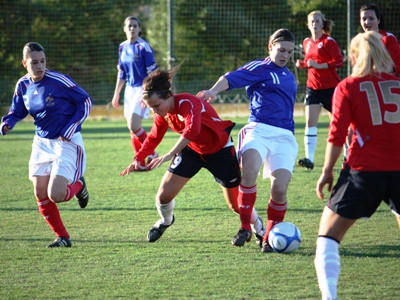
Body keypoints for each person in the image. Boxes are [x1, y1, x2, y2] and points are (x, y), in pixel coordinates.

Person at [120, 67, 266, 244]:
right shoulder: (164, 114)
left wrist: (170, 154)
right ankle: (166, 221)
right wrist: (138, 158)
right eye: (151, 108)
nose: (154, 111)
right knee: (163, 196)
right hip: (192, 151)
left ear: (168, 96)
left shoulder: (188, 103)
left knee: (236, 205)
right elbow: (153, 137)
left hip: (220, 152)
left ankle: (259, 230)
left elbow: (193, 131)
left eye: (156, 106)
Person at [315, 31, 400, 300]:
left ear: (354, 56)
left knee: (326, 239)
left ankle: (330, 297)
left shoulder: (348, 86)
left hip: (363, 173)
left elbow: (337, 134)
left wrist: (327, 171)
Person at [197, 29, 298, 253]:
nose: (285, 55)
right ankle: (245, 227)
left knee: (280, 190)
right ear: (270, 47)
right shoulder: (260, 68)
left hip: (284, 137)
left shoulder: (290, 76)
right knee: (249, 171)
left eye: (289, 52)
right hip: (258, 130)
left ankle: (269, 236)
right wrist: (213, 91)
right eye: (281, 50)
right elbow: (231, 78)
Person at [0, 42, 92, 248]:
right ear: (25, 63)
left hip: (65, 142)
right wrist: (7, 123)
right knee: (40, 191)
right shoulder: (22, 85)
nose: (40, 66)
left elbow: (85, 101)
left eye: (42, 61)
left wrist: (69, 128)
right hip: (41, 143)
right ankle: (63, 237)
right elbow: (17, 111)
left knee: (56, 194)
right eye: (34, 62)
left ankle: (79, 185)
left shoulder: (58, 81)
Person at [296, 10, 344, 170]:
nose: (315, 24)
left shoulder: (329, 41)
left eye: (317, 21)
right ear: (308, 25)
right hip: (313, 88)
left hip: (331, 88)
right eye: (312, 22)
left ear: (323, 24)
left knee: (338, 123)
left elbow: (339, 61)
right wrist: (302, 64)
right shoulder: (306, 42)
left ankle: (347, 157)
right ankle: (309, 159)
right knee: (310, 123)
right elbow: (310, 62)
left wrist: (319, 65)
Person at [111, 16, 158, 169]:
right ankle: (140, 162)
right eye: (129, 26)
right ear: (124, 29)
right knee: (132, 128)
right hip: (129, 90)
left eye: (135, 26)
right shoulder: (122, 47)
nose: (132, 28)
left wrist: (148, 93)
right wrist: (116, 93)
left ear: (139, 29)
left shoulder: (144, 47)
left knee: (134, 125)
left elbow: (153, 72)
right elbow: (122, 73)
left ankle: (152, 153)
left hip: (142, 89)